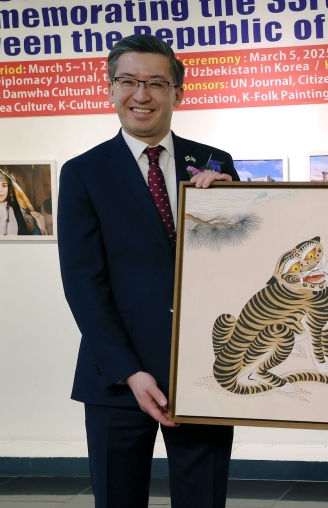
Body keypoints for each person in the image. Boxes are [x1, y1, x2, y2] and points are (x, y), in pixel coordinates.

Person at [58, 34, 239, 508]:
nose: (142, 95)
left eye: (157, 83)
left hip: (205, 369)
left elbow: (242, 264)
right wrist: (129, 371)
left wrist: (230, 205)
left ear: (179, 92)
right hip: (117, 377)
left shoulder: (216, 165)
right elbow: (83, 283)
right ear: (110, 88)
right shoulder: (84, 172)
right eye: (128, 81)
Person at [0, 167, 47, 235]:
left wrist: (41, 229)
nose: (0, 190)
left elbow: (28, 239)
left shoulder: (18, 213)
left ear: (10, 189)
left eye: (4, 185)